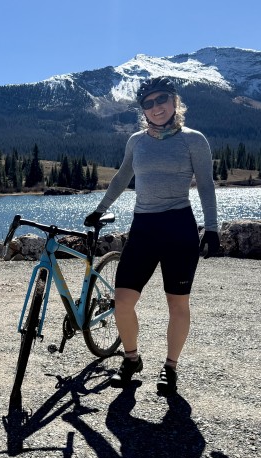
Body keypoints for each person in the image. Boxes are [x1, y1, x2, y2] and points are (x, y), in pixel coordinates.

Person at [83, 76, 220, 394]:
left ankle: (170, 368)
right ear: (142, 109)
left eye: (162, 100)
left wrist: (211, 227)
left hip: (178, 229)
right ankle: (131, 359)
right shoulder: (136, 141)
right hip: (143, 228)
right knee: (123, 302)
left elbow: (206, 185)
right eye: (148, 103)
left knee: (178, 305)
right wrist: (101, 208)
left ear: (175, 102)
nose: (156, 107)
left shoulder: (193, 140)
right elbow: (121, 177)